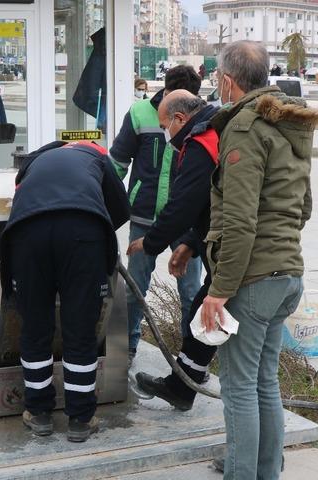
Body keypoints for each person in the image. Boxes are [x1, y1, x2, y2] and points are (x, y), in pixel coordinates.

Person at [201, 40, 318, 479]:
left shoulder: (245, 128)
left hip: (251, 282)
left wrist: (220, 290)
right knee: (264, 383)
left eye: (217, 77)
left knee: (237, 389)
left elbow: (239, 220)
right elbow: (303, 207)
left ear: (228, 81)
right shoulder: (290, 124)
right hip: (287, 274)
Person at [0, 140, 128, 443]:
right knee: (80, 329)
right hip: (83, 236)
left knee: (35, 325)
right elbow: (121, 208)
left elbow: (21, 198)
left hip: (28, 235)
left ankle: (39, 413)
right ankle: (81, 419)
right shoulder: (96, 156)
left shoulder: (33, 163)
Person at [129, 89, 223, 410]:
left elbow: (184, 204)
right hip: (225, 247)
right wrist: (191, 245)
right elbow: (213, 204)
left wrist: (152, 241)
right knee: (205, 313)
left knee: (216, 320)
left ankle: (252, 447)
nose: (166, 134)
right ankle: (181, 387)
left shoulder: (199, 143)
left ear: (180, 119)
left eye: (165, 126)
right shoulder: (213, 131)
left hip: (238, 255)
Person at [109, 65, 204, 361]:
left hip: (186, 223)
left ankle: (190, 354)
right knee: (135, 287)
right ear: (164, 92)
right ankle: (128, 344)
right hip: (144, 217)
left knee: (191, 291)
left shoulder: (199, 119)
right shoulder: (139, 113)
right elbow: (118, 162)